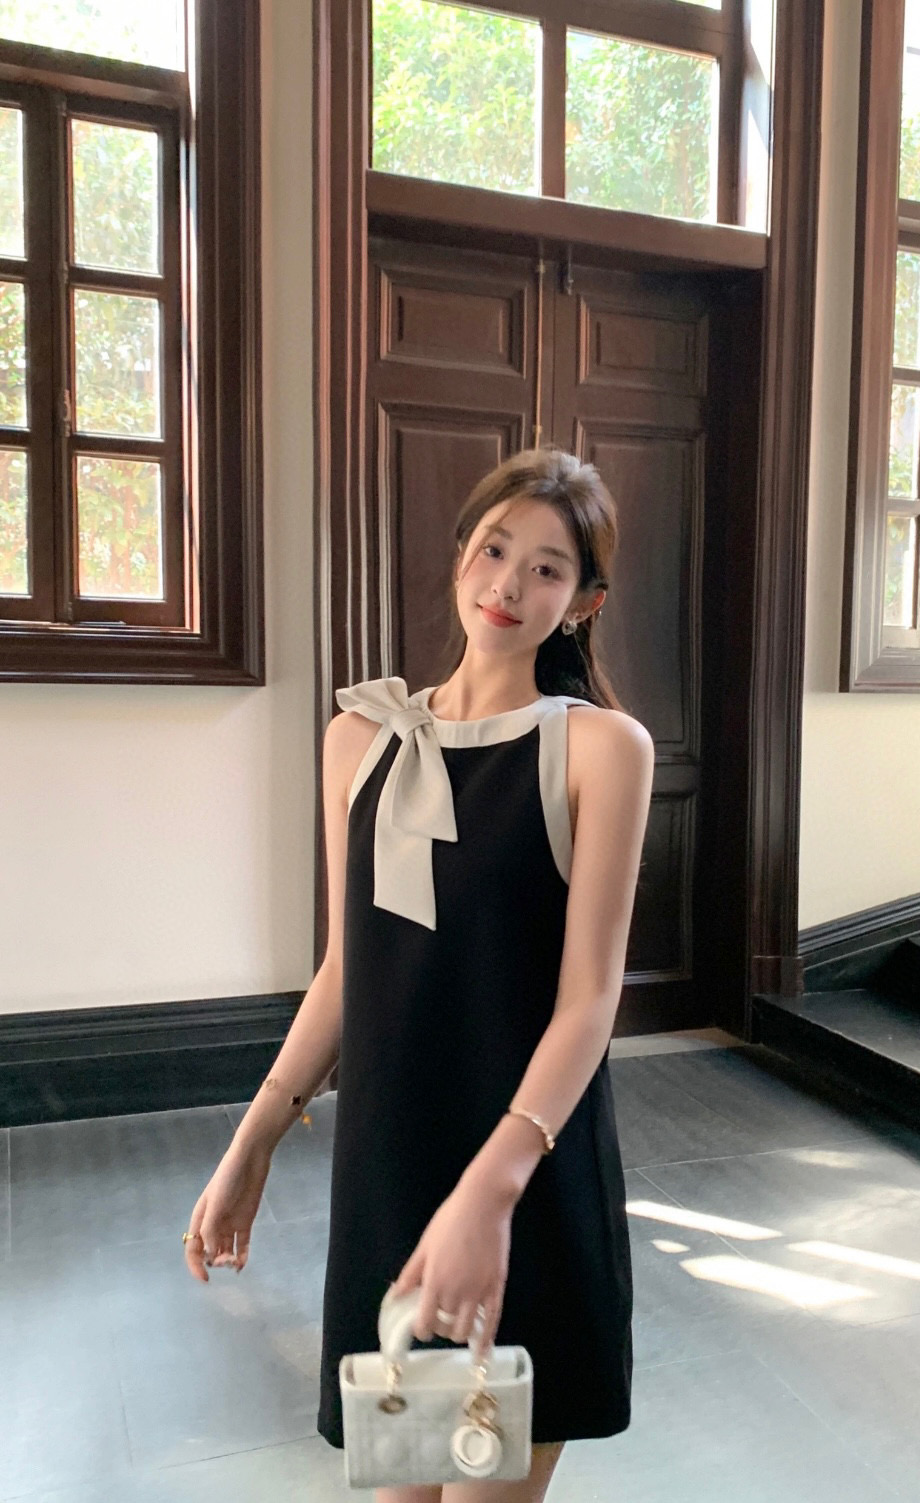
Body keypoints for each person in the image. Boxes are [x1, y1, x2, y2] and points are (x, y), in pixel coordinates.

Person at [183, 447, 655, 1503]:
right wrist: (253, 1141)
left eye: (547, 569)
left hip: (523, 1182)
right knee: (406, 1488)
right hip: (393, 1173)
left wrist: (491, 1191)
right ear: (459, 557)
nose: (508, 585)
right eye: (494, 550)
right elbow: (347, 969)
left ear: (584, 603)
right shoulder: (359, 736)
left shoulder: (600, 749)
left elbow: (590, 1000)